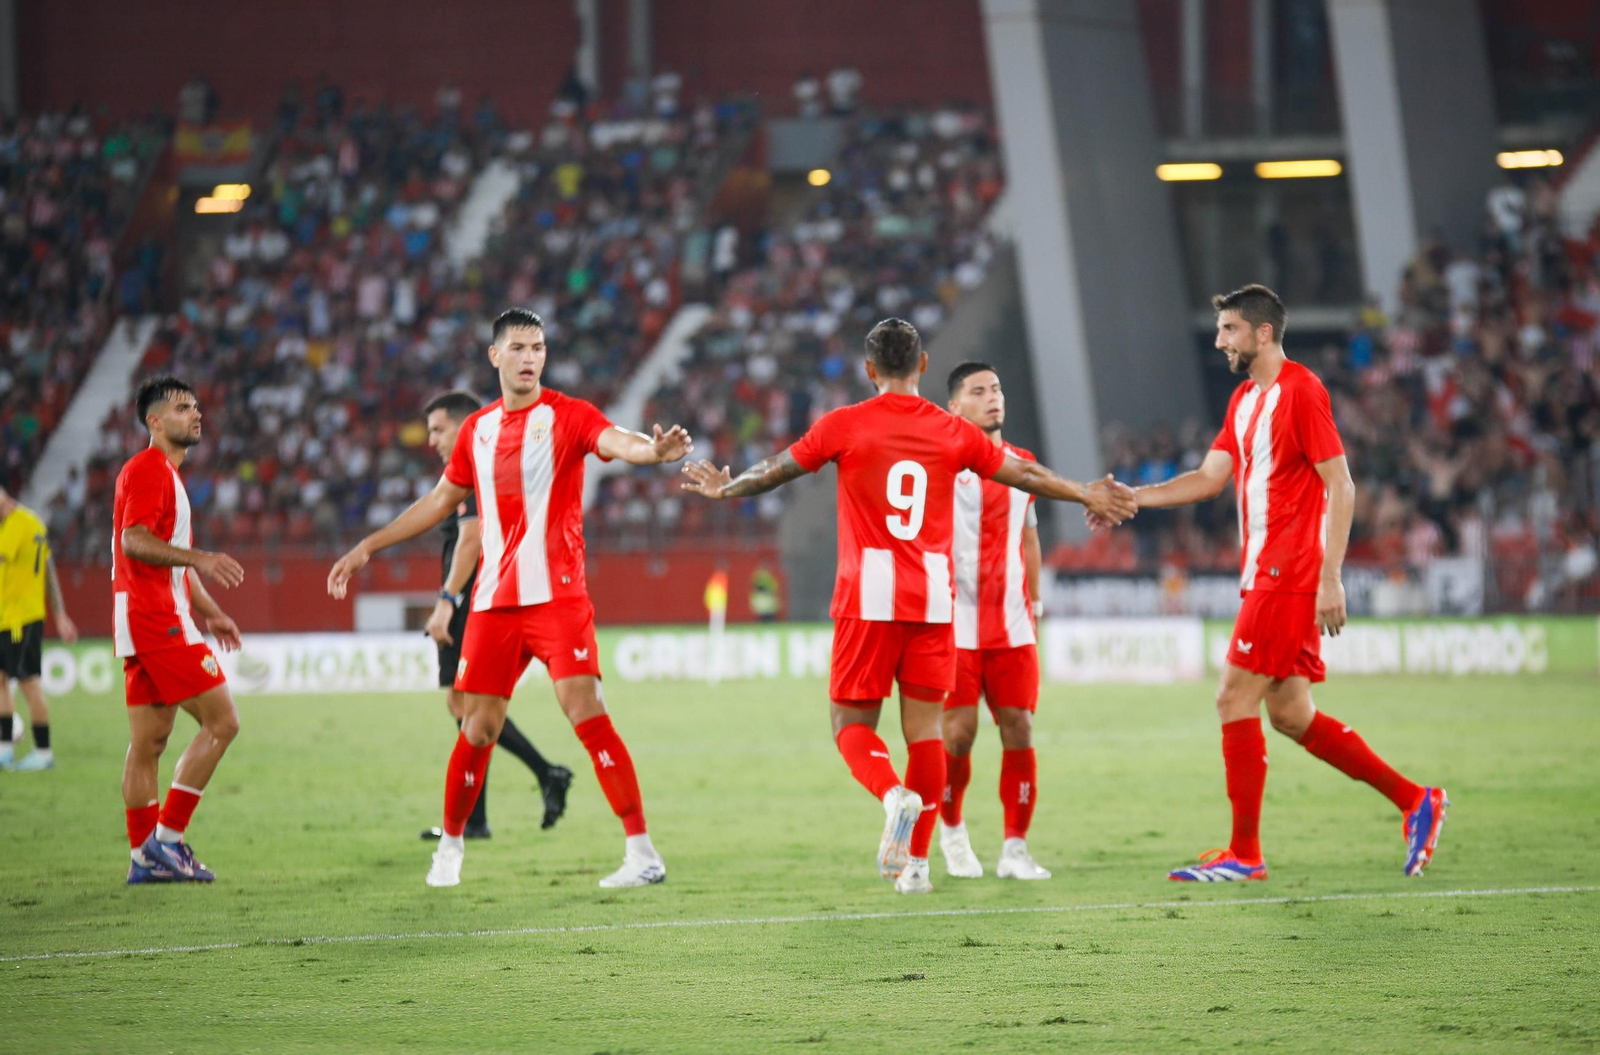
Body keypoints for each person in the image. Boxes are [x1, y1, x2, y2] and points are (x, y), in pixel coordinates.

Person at [680, 318, 1136, 895]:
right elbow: (1023, 472)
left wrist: (728, 487)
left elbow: (776, 471)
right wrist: (1085, 490)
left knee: (850, 725)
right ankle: (917, 865)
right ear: (923, 365)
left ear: (869, 370)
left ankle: (892, 794)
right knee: (925, 734)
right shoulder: (952, 431)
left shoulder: (844, 424)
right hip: (933, 600)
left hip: (868, 599)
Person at [328, 309, 694, 889]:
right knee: (477, 727)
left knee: (588, 712)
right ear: (495, 356)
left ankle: (642, 852)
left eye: (539, 347)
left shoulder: (569, 415)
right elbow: (440, 501)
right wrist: (370, 545)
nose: (530, 358)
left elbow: (617, 441)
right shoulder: (476, 430)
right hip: (495, 602)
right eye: (519, 347)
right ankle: (449, 848)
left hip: (558, 599)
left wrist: (654, 452)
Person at [1094, 285, 1447, 881]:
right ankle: (1417, 800)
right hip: (1264, 571)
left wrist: (1330, 576)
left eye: (1229, 329)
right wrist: (1134, 498)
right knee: (1289, 714)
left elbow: (1342, 485)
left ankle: (1245, 854)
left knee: (1233, 696)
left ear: (1262, 333)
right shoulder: (1243, 400)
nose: (1218, 340)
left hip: (1289, 572)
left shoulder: (1302, 391)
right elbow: (1209, 478)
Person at [415, 390, 573, 841]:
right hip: (476, 598)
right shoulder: (476, 464)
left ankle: (539, 777)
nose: (432, 440)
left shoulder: (473, 471)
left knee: (471, 708)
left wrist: (448, 600)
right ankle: (483, 813)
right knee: (464, 707)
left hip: (473, 600)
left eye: (438, 429)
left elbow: (469, 540)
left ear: (464, 426)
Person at [114, 377, 246, 884]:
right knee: (223, 722)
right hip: (157, 620)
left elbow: (170, 564)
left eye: (196, 406)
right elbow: (135, 541)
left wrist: (209, 610)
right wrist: (201, 557)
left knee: (148, 743)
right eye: (181, 408)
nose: (195, 414)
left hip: (145, 616)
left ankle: (144, 857)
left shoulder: (165, 474)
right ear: (154, 421)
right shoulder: (149, 469)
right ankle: (168, 840)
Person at [937, 363, 1048, 881]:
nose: (993, 397)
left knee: (1019, 727)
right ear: (954, 407)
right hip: (955, 624)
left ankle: (1015, 848)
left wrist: (1038, 603)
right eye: (978, 391)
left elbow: (1029, 539)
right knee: (959, 734)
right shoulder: (938, 464)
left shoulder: (1023, 465)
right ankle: (953, 831)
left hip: (1012, 621)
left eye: (997, 388)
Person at [0, 483, 78, 770]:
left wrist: (59, 615)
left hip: (21, 618)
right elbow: (49, 570)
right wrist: (60, 614)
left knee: (29, 682)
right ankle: (5, 749)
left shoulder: (16, 525)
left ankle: (43, 753)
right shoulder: (30, 522)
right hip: (8, 617)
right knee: (1, 681)